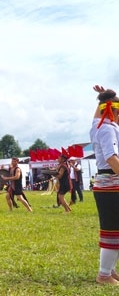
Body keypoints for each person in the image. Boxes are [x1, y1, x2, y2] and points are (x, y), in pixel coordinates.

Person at [89, 86, 119, 285]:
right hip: (111, 185)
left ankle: (110, 270)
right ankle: (104, 274)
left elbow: (100, 110)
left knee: (115, 229)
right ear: (113, 112)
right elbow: (111, 158)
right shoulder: (107, 129)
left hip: (108, 184)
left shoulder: (99, 126)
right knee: (112, 230)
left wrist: (105, 96)